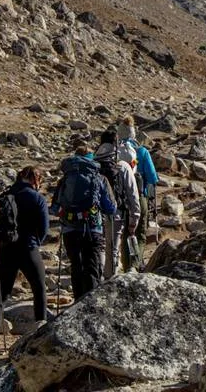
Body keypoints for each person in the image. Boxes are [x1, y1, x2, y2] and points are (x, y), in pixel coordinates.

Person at [0, 166, 50, 356]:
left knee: (1, 296)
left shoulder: (5, 195)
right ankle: (41, 333)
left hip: (5, 250)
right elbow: (44, 228)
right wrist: (35, 241)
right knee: (39, 289)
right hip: (29, 249)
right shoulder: (36, 198)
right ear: (35, 179)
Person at [51, 144, 115, 300]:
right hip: (93, 228)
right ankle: (90, 304)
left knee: (76, 267)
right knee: (92, 267)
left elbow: (53, 208)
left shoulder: (65, 178)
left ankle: (77, 302)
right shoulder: (99, 178)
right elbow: (111, 207)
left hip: (69, 230)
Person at [95, 127, 141, 276]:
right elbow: (133, 195)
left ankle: (97, 281)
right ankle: (110, 281)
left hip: (94, 215)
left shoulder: (93, 165)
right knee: (112, 249)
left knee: (100, 248)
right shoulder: (122, 166)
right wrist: (134, 218)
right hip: (116, 214)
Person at [117, 119, 159, 244]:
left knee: (123, 235)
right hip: (140, 196)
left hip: (119, 199)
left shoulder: (115, 151)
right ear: (133, 133)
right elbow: (152, 178)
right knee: (139, 234)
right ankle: (135, 262)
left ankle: (124, 261)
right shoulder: (142, 152)